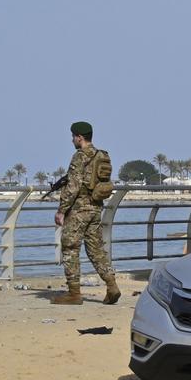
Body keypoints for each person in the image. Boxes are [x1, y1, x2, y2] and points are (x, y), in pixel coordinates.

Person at [52, 121, 120, 305]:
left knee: (70, 246)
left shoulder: (79, 156)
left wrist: (61, 210)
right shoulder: (102, 155)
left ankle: (74, 293)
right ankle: (112, 285)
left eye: (73, 136)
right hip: (96, 207)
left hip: (80, 208)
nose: (72, 139)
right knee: (96, 248)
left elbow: (73, 187)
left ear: (80, 137)